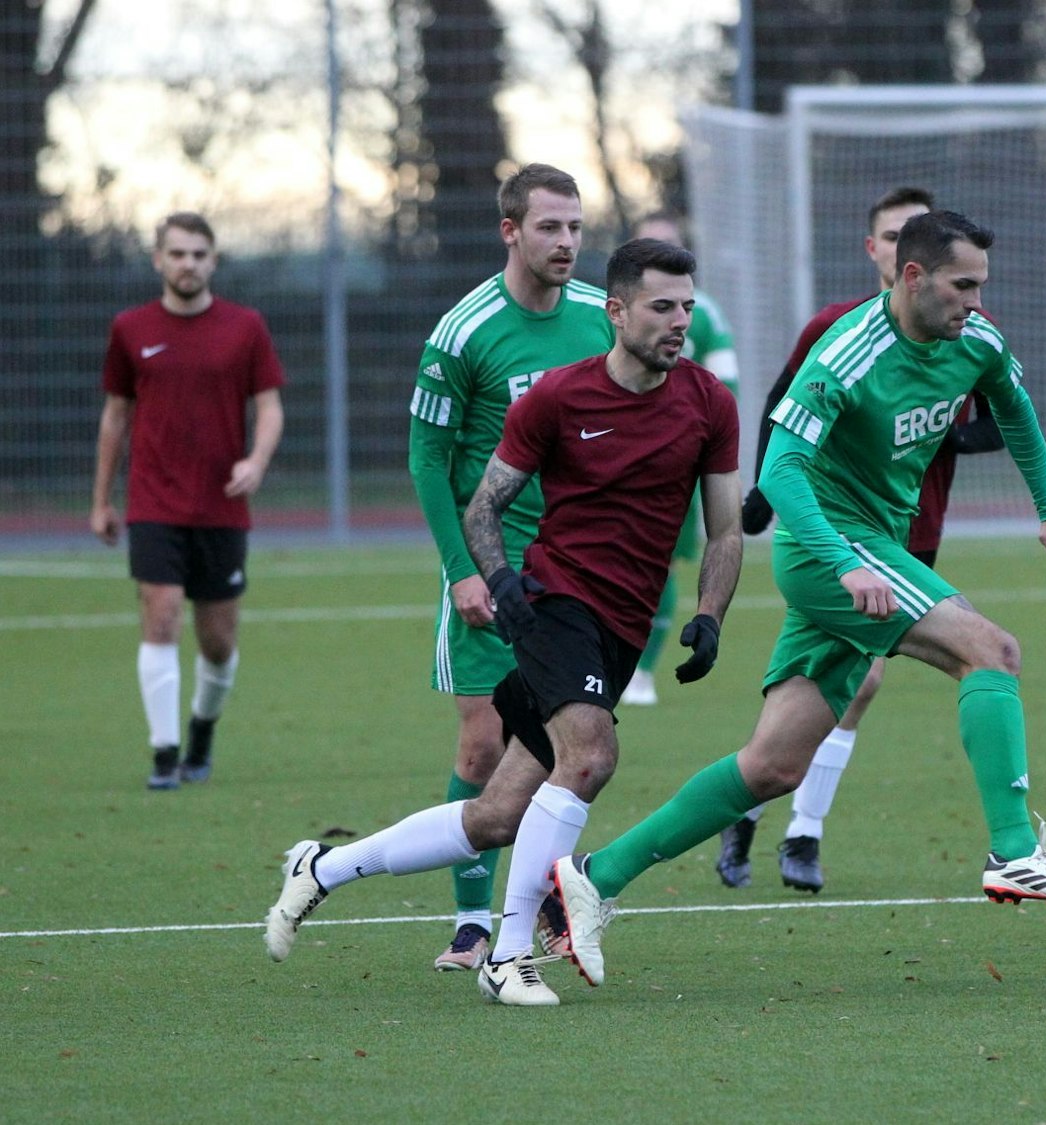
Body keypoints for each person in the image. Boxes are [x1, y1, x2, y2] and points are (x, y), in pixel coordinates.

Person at [545, 210, 1046, 992]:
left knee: (773, 764)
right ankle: (1014, 852)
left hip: (873, 550)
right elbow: (778, 471)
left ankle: (593, 876)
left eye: (983, 285)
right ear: (914, 277)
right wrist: (845, 562)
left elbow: (1014, 408)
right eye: (963, 285)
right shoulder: (847, 351)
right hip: (828, 552)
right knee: (993, 649)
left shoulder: (975, 342)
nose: (976, 302)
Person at [265, 239, 743, 1007]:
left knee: (497, 813)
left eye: (687, 305)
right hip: (557, 603)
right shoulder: (557, 396)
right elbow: (483, 503)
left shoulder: (709, 403)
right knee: (590, 755)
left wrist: (711, 615)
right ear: (616, 311)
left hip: (619, 629)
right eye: (662, 306)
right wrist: (498, 581)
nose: (679, 321)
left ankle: (320, 867)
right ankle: (509, 954)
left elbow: (724, 530)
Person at [720, 186, 1003, 894]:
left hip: (915, 526)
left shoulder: (963, 329)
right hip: (840, 532)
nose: (901, 240)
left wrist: (935, 427)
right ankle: (802, 832)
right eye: (891, 232)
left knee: (819, 693)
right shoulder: (836, 328)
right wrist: (761, 492)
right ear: (880, 251)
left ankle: (748, 807)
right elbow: (783, 410)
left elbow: (1000, 418)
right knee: (863, 678)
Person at [407, 163, 618, 972]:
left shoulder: (605, 318)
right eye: (549, 227)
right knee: (482, 744)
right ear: (510, 231)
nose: (566, 242)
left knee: (573, 744)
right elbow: (429, 460)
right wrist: (462, 569)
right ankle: (470, 920)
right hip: (491, 569)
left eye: (574, 227)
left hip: (576, 568)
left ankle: (537, 906)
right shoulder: (463, 332)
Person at [90, 212, 285, 791]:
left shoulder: (245, 327)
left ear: (213, 261)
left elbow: (270, 405)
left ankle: (201, 728)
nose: (188, 264)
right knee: (161, 613)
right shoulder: (130, 328)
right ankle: (164, 753)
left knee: (218, 642)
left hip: (221, 508)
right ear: (158, 259)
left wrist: (256, 460)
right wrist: (101, 499)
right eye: (177, 254)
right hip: (152, 502)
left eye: (199, 254)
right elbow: (115, 417)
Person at [620, 211, 739, 708]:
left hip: (676, 458)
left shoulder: (705, 315)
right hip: (617, 453)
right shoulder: (619, 313)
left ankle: (642, 671)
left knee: (661, 564)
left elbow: (724, 384)